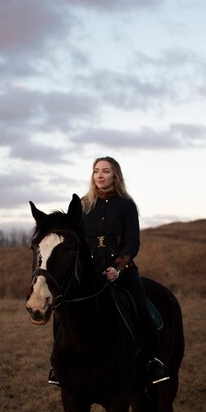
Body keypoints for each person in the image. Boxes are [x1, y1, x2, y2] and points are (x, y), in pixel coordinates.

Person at [48, 156, 170, 386]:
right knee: (62, 310)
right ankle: (57, 366)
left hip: (123, 272)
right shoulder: (83, 205)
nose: (100, 175)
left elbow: (132, 242)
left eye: (105, 171)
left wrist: (118, 267)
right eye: (96, 171)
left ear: (115, 175)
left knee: (142, 310)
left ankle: (154, 362)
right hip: (90, 274)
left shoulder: (126, 205)